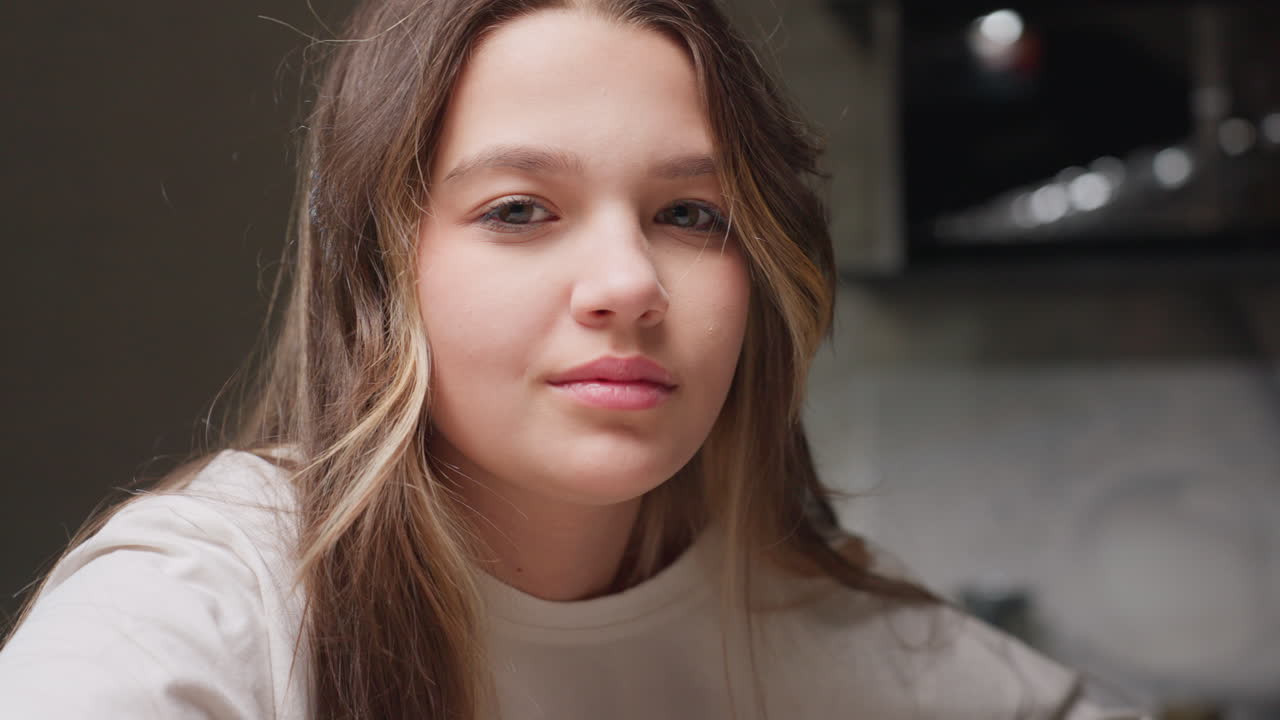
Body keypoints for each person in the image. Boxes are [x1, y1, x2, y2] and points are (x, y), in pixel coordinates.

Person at [0, 0, 1138, 718]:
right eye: (518, 210)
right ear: (381, 269)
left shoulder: (827, 637)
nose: (629, 285)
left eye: (690, 217)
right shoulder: (205, 604)